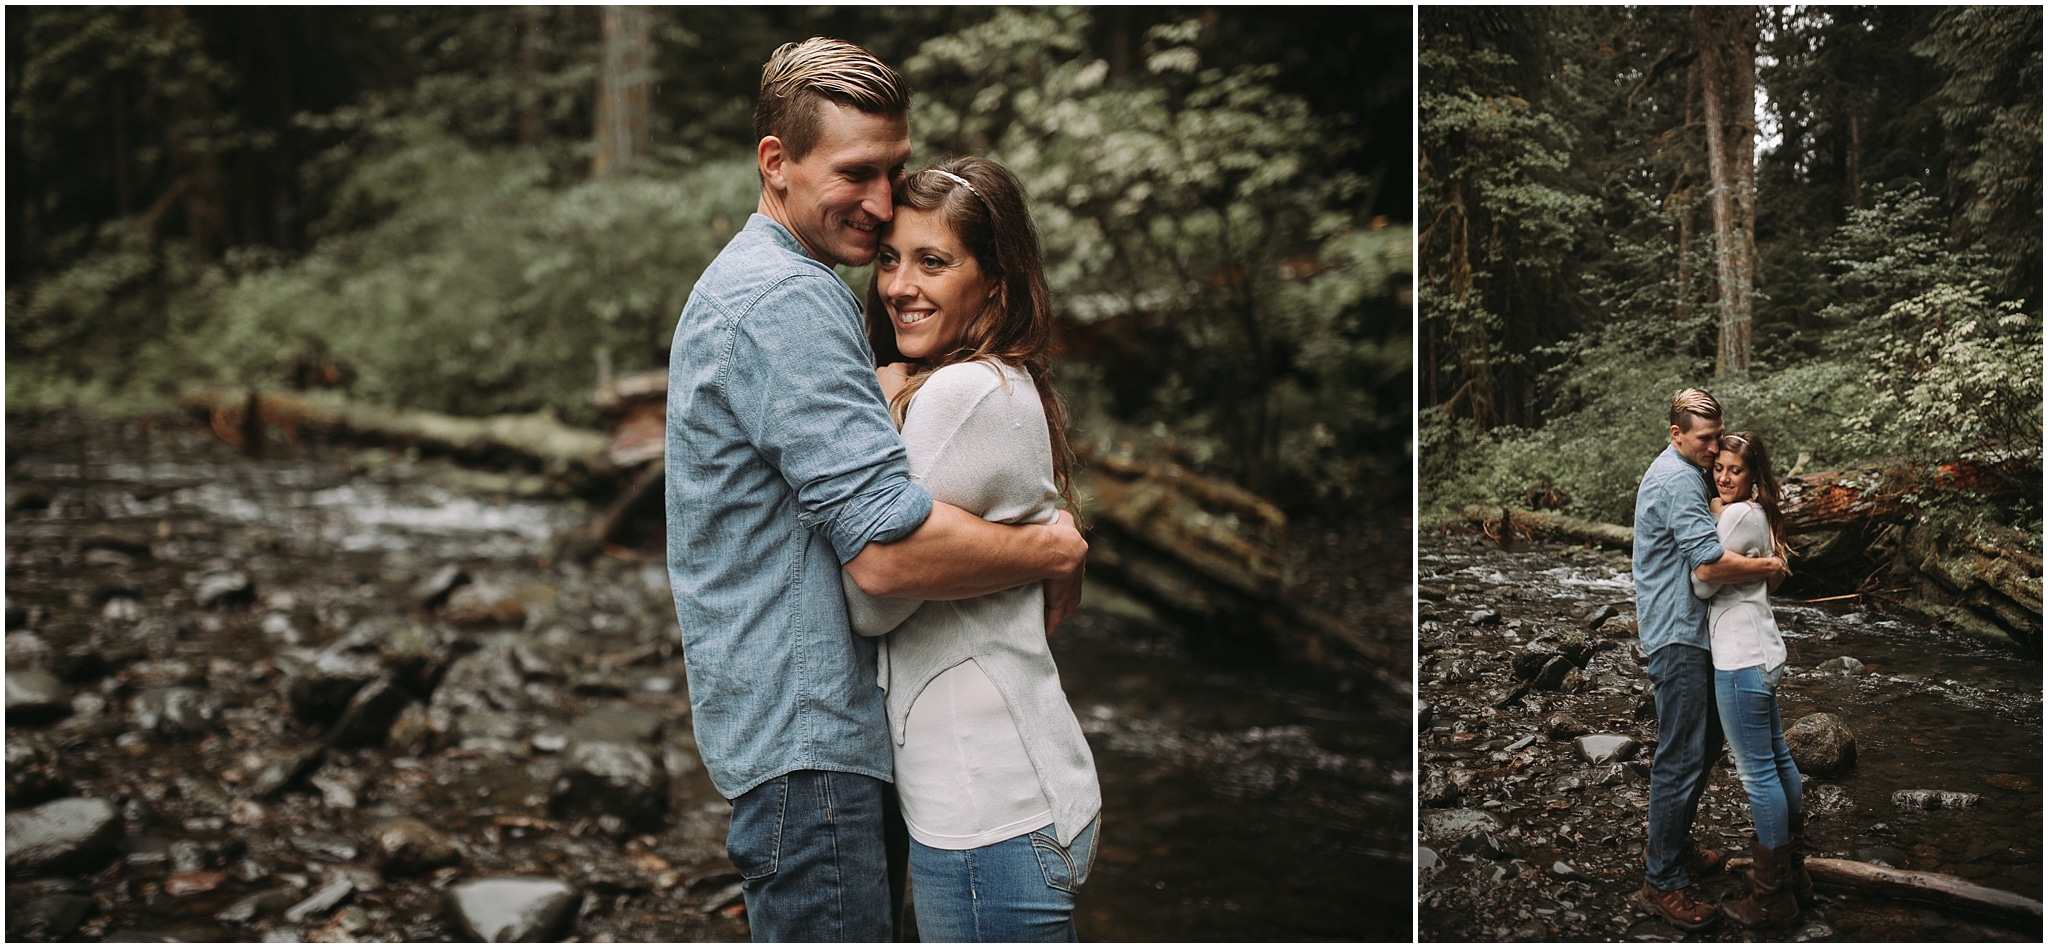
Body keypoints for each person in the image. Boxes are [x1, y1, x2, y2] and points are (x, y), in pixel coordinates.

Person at [663, 38, 1088, 942]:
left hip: (801, 744)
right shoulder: (785, 298)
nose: (883, 202)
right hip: (811, 751)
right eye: (857, 171)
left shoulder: (759, 286)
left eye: (894, 170)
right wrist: (1049, 545)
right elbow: (889, 555)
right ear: (776, 162)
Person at [840, 157, 1101, 942]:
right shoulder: (997, 381)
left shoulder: (960, 394)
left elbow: (873, 595)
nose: (899, 286)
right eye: (890, 259)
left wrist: (883, 410)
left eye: (933, 262)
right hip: (999, 799)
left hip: (988, 812)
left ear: (993, 282)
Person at [1631, 388, 1785, 930]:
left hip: (1693, 634)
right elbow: (1708, 564)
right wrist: (1768, 563)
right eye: (1705, 439)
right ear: (1676, 434)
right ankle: (1663, 880)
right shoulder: (1677, 478)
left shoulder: (1688, 469)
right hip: (1678, 634)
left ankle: (1671, 847)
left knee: (1705, 745)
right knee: (1683, 753)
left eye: (1719, 437)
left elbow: (1714, 514)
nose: (1714, 448)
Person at [1690, 431, 1808, 927]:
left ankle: (1771, 899)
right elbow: (1769, 575)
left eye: (1734, 470)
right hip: (1763, 649)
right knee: (1779, 761)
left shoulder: (1737, 514)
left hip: (1739, 658)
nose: (1723, 476)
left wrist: (1717, 515)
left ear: (1753, 475)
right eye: (1719, 468)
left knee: (1758, 774)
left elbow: (1702, 580)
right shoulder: (1759, 515)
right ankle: (1793, 877)